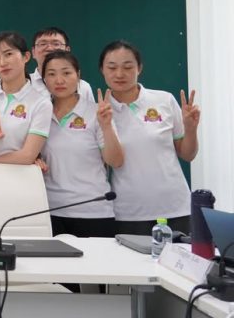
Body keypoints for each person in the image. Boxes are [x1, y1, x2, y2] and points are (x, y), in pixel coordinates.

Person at [99, 40, 199, 235]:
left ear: (139, 68)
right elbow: (112, 161)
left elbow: (188, 154)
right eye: (112, 67)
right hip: (129, 212)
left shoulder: (164, 100)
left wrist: (191, 128)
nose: (119, 74)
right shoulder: (100, 111)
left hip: (176, 207)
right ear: (102, 70)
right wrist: (106, 125)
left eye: (128, 67)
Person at [41, 51, 124, 237]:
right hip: (48, 211)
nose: (59, 80)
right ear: (44, 79)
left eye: (66, 73)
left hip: (92, 211)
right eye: (51, 74)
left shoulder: (96, 112)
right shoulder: (40, 112)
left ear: (78, 75)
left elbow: (116, 161)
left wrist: (106, 126)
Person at [0, 32, 52, 164]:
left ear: (26, 57)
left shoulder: (41, 103)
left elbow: (27, 156)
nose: (2, 63)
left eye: (8, 54)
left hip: (15, 175)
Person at [30, 27, 94, 102]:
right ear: (33, 52)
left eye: (56, 44)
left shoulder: (82, 87)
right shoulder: (24, 85)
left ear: (67, 50)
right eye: (43, 44)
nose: (49, 48)